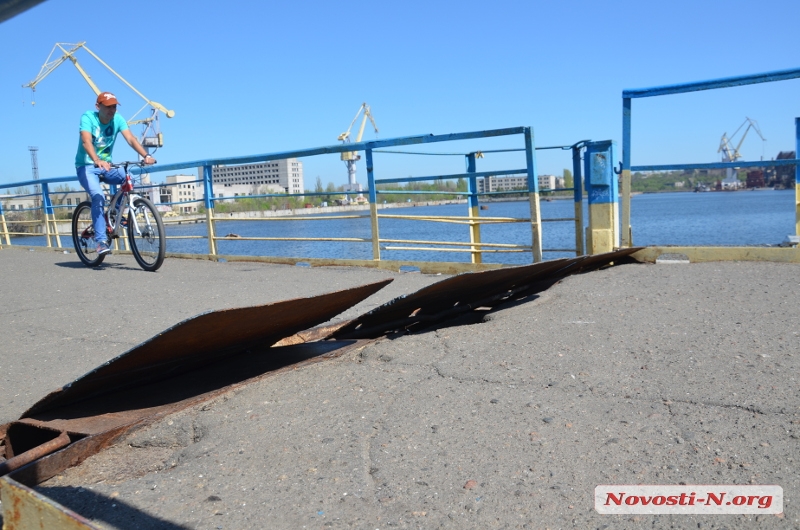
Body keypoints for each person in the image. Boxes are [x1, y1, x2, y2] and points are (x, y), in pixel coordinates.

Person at [75, 91, 156, 255]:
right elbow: (86, 141)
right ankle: (100, 241)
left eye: (114, 107)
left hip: (107, 166)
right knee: (98, 196)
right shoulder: (88, 118)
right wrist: (97, 160)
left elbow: (131, 139)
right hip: (87, 166)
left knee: (128, 178)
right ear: (98, 106)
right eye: (108, 107)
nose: (112, 110)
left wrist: (146, 155)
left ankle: (115, 213)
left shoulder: (118, 119)